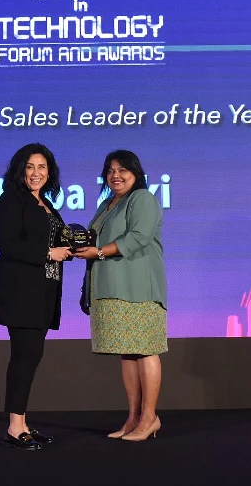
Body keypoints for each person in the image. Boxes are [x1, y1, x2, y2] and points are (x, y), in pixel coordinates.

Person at [74, 149, 167, 441]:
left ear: (136, 173)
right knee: (127, 353)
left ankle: (150, 418)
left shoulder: (143, 198)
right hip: (110, 287)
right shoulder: (108, 204)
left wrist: (99, 251)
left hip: (138, 287)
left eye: (122, 169)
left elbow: (138, 237)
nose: (116, 175)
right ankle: (133, 417)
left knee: (145, 349)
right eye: (111, 170)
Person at [0, 143, 71, 450]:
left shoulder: (45, 202)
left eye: (42, 167)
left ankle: (21, 422)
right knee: (24, 357)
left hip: (44, 289)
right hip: (21, 289)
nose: (36, 173)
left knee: (31, 356)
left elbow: (52, 243)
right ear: (20, 170)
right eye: (31, 167)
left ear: (50, 172)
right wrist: (49, 252)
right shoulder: (11, 199)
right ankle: (14, 426)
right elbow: (6, 244)